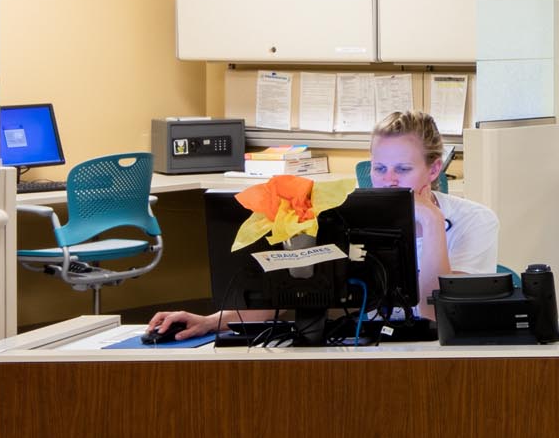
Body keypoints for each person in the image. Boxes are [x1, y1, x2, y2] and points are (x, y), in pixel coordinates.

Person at [146, 111, 499, 339]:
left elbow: (435, 315)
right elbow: (293, 293)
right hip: (362, 343)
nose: (388, 181)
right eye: (380, 168)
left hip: (437, 352)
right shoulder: (341, 215)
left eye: (403, 170)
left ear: (434, 170)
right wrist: (211, 321)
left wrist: (432, 222)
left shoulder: (475, 222)